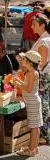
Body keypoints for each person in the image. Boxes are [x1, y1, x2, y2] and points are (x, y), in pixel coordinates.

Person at [13, 50, 43, 156]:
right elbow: (28, 86)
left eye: (24, 59)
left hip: (33, 103)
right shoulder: (32, 72)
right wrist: (19, 81)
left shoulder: (31, 73)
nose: (22, 61)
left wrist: (18, 84)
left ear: (29, 62)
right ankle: (34, 148)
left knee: (34, 127)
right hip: (34, 102)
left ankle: (30, 150)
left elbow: (29, 89)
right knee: (36, 126)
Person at [30, 15, 50, 144]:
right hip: (45, 74)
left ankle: (45, 135)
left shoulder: (44, 41)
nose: (32, 27)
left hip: (42, 75)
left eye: (34, 25)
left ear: (42, 25)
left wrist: (27, 61)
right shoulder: (45, 38)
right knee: (46, 102)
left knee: (43, 104)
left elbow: (42, 62)